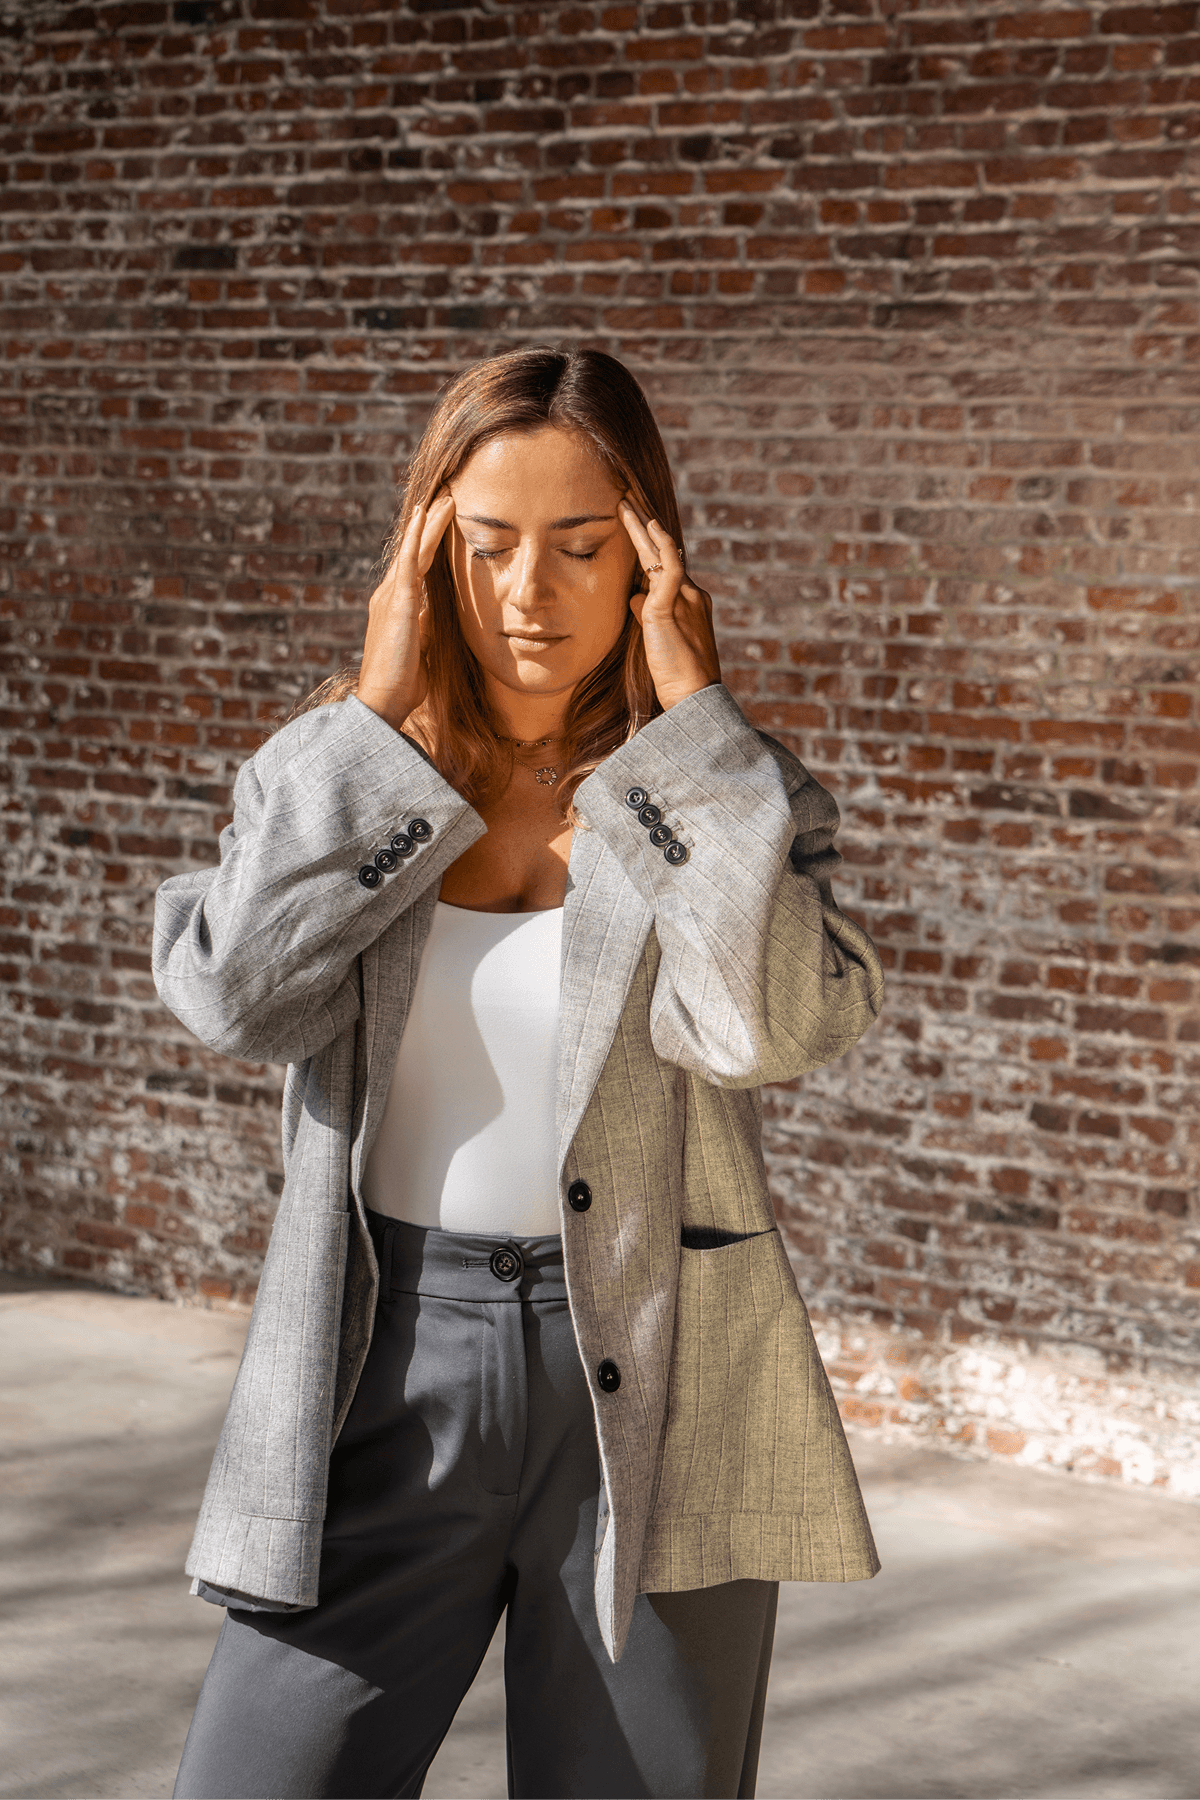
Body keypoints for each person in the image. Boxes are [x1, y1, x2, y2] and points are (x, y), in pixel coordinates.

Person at [155, 345, 885, 1800]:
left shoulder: (725, 794)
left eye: (579, 547)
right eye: (486, 548)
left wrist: (691, 746)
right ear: (429, 559)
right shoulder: (345, 782)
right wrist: (369, 721)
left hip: (661, 1372)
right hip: (382, 1360)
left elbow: (768, 1032)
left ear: (651, 564)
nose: (528, 593)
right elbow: (232, 998)